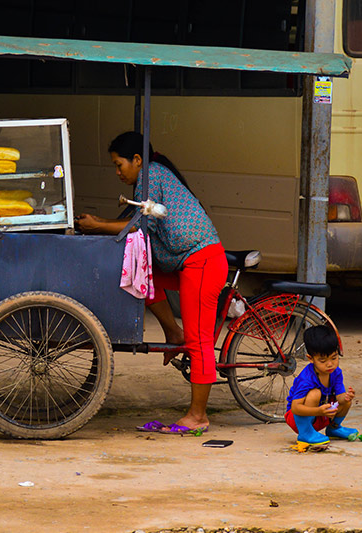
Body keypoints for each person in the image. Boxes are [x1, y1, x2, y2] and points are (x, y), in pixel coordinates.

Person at [76, 131, 228, 434]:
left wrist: (98, 225)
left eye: (120, 165)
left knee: (199, 342)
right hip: (184, 262)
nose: (118, 172)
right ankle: (173, 333)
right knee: (138, 280)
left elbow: (137, 226)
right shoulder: (147, 181)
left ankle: (198, 416)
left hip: (202, 261)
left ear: (137, 160)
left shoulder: (151, 175)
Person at [284, 324, 357, 446]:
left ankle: (334, 428)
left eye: (334, 358)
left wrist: (346, 397)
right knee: (315, 393)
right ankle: (305, 433)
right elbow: (295, 408)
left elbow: (339, 397)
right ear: (311, 359)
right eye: (323, 361)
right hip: (298, 418)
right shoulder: (306, 379)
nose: (330, 364)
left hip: (322, 414)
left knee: (346, 402)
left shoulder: (336, 373)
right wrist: (318, 411)